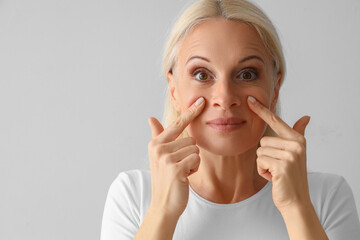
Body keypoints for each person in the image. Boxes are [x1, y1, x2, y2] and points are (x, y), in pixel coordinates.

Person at [100, 0, 360, 239]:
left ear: (275, 88)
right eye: (202, 75)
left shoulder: (327, 196)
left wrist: (296, 206)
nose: (224, 98)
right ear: (174, 89)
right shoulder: (133, 195)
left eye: (247, 74)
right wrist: (163, 209)